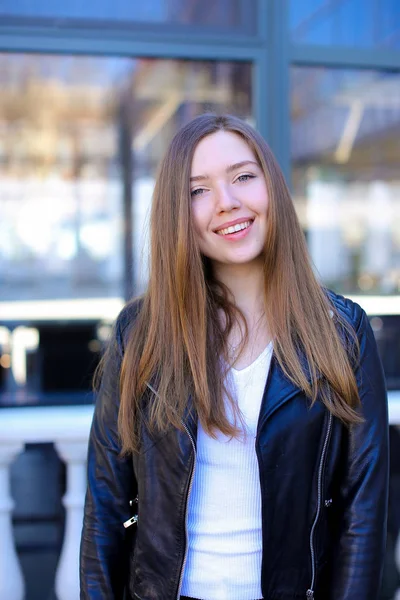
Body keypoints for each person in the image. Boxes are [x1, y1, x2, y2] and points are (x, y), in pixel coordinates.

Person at [79, 113, 389, 600]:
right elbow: (105, 504)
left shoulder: (342, 331)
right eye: (198, 190)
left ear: (272, 187)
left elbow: (362, 514)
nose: (227, 202)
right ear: (177, 214)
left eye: (244, 176)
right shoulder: (141, 333)